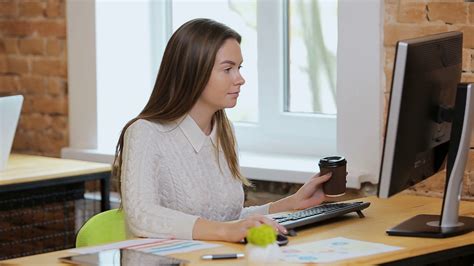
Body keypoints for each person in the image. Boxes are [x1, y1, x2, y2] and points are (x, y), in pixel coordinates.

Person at [113, 18, 332, 242]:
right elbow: (142, 216)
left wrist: (289, 204)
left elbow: (227, 220)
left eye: (239, 68)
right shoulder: (145, 133)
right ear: (192, 72)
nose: (240, 79)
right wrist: (226, 231)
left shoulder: (224, 132)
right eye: (227, 69)